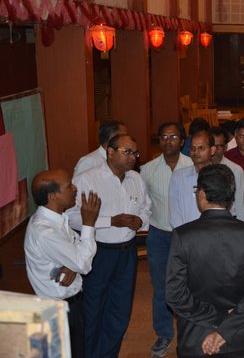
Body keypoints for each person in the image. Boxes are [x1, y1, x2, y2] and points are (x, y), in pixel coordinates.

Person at [166, 164, 244, 357]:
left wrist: (215, 317)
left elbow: (175, 295)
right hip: (238, 335)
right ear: (231, 197)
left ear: (201, 194)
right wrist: (226, 326)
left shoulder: (183, 236)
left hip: (196, 336)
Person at [68, 134, 151, 357]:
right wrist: (110, 221)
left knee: (120, 311)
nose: (133, 157)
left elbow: (146, 208)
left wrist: (140, 220)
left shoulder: (136, 179)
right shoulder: (87, 179)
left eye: (135, 153)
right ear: (110, 152)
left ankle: (108, 354)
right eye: (127, 152)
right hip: (99, 253)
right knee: (93, 310)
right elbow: (71, 218)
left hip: (127, 253)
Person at [24, 169, 101, 358]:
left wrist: (72, 264)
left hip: (69, 305)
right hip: (58, 312)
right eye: (69, 186)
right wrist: (88, 223)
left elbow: (77, 253)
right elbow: (83, 263)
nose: (75, 189)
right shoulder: (45, 231)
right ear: (53, 196)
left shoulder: (58, 220)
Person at [140, 122, 192, 357]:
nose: (167, 141)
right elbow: (142, 202)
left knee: (190, 285)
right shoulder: (148, 169)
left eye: (173, 137)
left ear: (182, 141)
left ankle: (189, 332)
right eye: (163, 137)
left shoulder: (193, 165)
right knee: (161, 287)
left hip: (187, 235)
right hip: (159, 236)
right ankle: (163, 333)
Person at [169, 131, 218, 229]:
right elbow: (174, 215)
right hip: (185, 234)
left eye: (201, 148)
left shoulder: (221, 177)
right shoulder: (178, 177)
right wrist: (186, 234)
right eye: (192, 148)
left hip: (214, 233)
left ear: (212, 150)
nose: (196, 152)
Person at [209, 126, 244, 220]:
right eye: (212, 145)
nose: (215, 149)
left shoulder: (236, 170)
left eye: (219, 146)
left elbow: (241, 203)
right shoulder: (200, 168)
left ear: (226, 147)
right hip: (206, 220)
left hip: (230, 219)